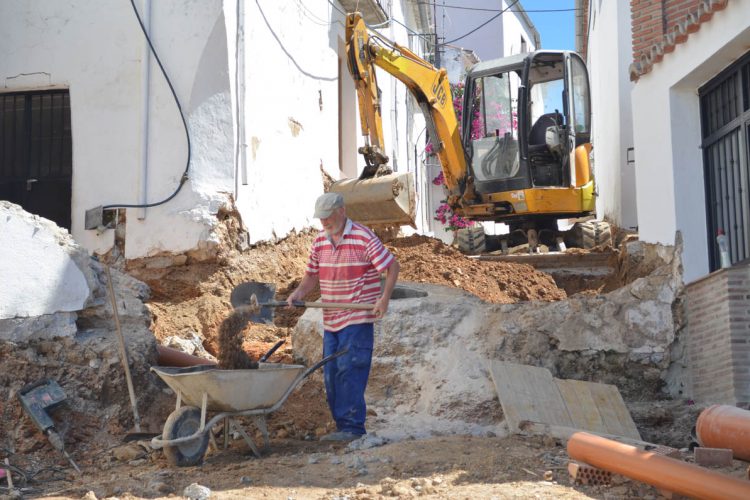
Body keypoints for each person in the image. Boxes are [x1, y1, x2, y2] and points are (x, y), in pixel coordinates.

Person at [287, 192, 400, 441]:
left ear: (341, 211)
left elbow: (391, 266)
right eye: (321, 218)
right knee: (331, 372)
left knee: (350, 369)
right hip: (331, 319)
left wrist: (384, 298)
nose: (324, 222)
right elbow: (311, 275)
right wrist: (298, 293)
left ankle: (352, 428)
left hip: (357, 317)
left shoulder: (363, 236)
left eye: (328, 217)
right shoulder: (319, 241)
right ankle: (342, 426)